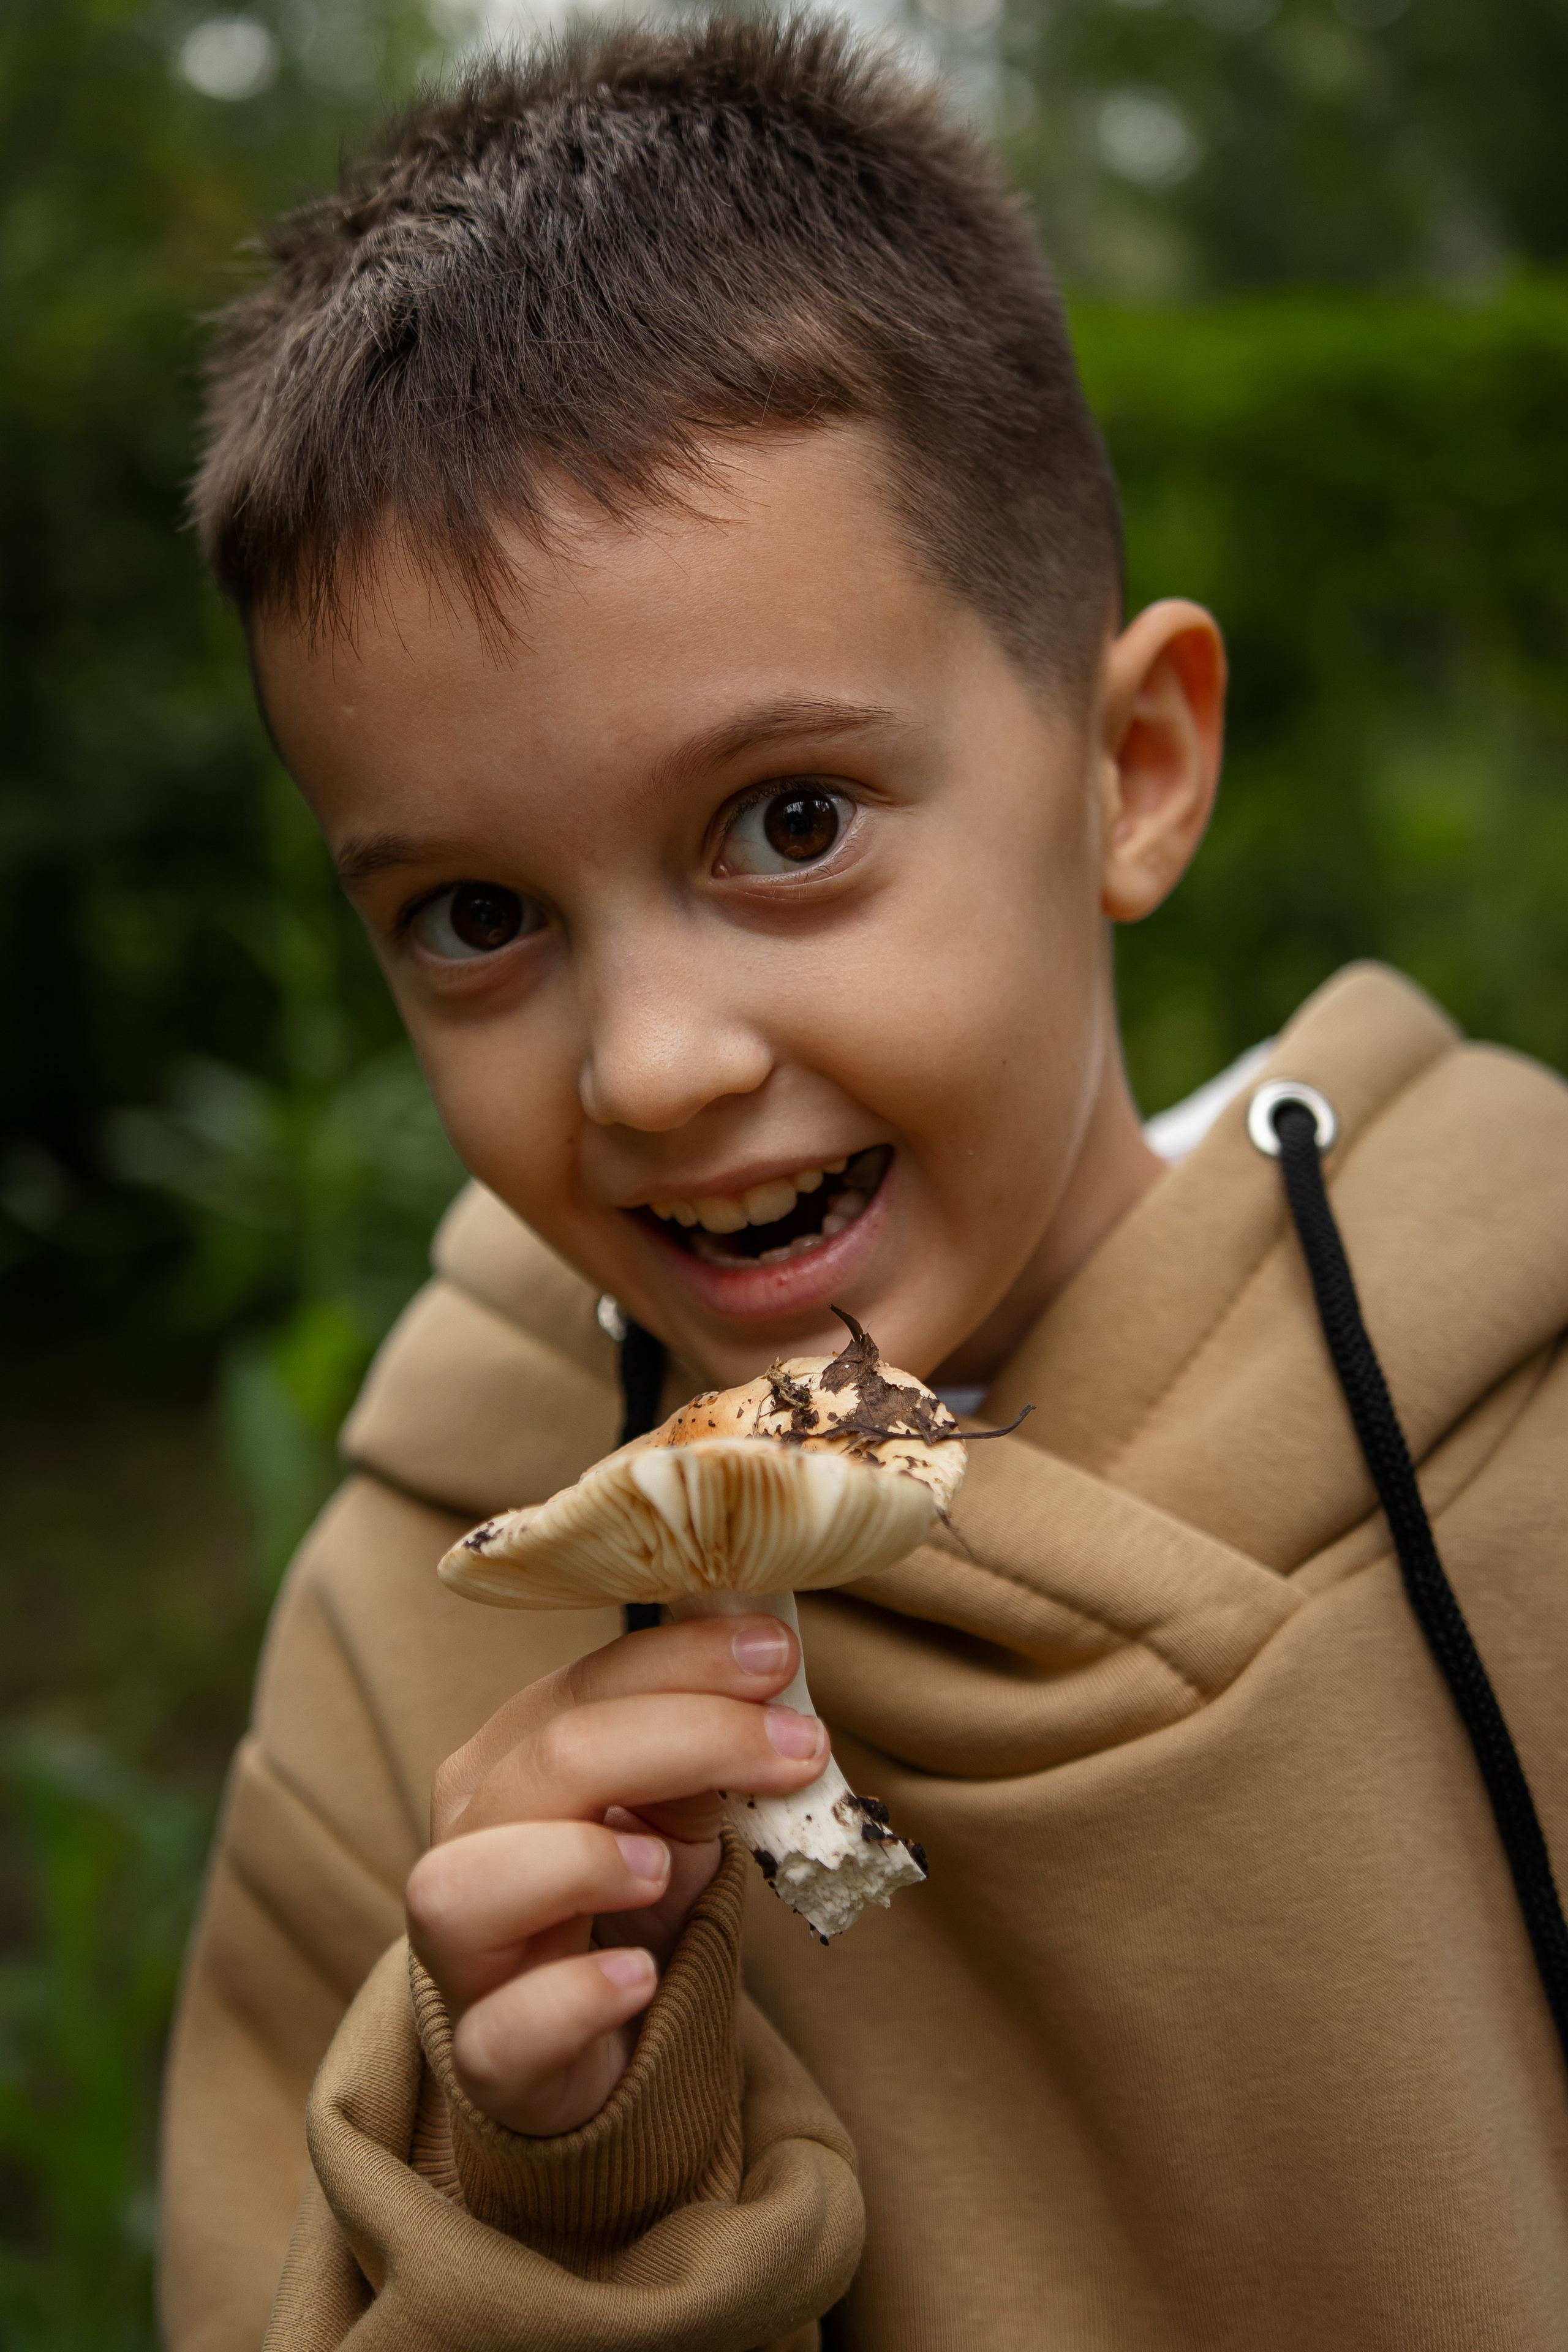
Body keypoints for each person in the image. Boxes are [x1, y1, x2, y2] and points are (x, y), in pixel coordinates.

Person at [160, 17, 1568, 2350]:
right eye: (475, 916)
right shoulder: (409, 1639)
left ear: (1132, 769)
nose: (652, 1068)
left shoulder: (1525, 1450)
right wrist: (546, 2181)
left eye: (790, 823)